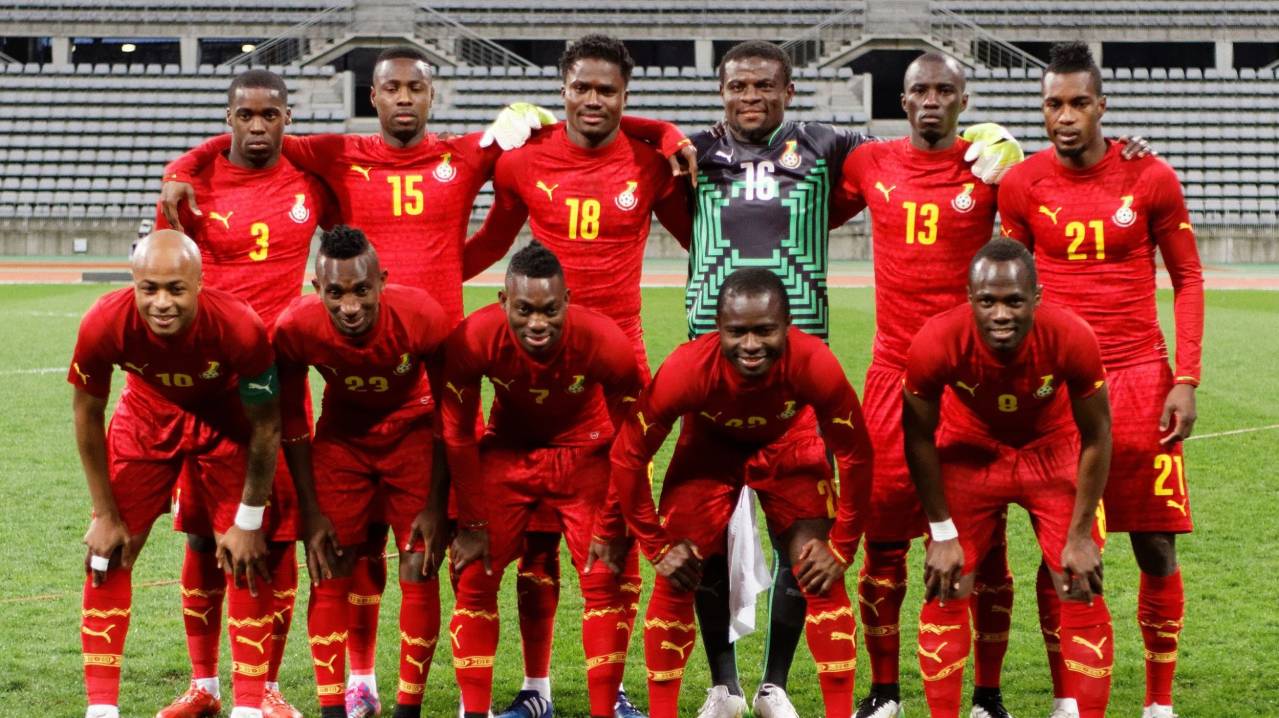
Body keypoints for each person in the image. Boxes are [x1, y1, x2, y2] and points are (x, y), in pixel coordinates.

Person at [159, 52, 688, 714]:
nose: (404, 98)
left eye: (416, 87)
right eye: (391, 88)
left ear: (434, 95)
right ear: (372, 96)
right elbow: (249, 132)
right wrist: (181, 169)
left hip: (439, 378)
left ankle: (538, 690)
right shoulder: (335, 151)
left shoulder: (469, 154)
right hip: (355, 382)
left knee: (445, 547)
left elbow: (585, 121)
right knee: (354, 548)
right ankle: (357, 682)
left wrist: (666, 135)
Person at [621, 41, 1023, 718]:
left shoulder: (824, 144)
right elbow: (613, 132)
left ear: (788, 90)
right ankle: (723, 684)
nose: (750, 97)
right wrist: (660, 130)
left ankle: (774, 682)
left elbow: (912, 143)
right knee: (704, 534)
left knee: (799, 536)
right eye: (737, 86)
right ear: (719, 91)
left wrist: (991, 133)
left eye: (763, 86)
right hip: (709, 369)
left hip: (801, 371)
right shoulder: (689, 154)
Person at [460, 34, 689, 718]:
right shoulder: (524, 162)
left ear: (625, 96)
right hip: (526, 389)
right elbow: (489, 246)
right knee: (532, 552)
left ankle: (609, 692)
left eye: (607, 90)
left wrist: (668, 131)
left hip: (614, 386)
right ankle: (536, 692)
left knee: (608, 551)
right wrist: (415, 280)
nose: (593, 100)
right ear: (561, 90)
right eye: (581, 88)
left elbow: (699, 235)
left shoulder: (649, 166)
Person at [997, 42, 1203, 718]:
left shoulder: (1149, 177)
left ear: (1101, 106)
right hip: (1058, 389)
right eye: (1052, 103)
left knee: (1153, 542)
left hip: (1142, 380)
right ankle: (1065, 696)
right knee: (1060, 544)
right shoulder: (1022, 185)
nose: (1064, 115)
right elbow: (1005, 288)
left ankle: (1157, 702)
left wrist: (1187, 376)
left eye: (1077, 102)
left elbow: (1187, 279)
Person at [602, 267, 873, 718]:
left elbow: (858, 455)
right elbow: (628, 454)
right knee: (679, 566)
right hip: (709, 446)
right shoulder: (688, 368)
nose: (750, 345)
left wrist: (843, 547)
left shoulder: (814, 363)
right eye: (737, 332)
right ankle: (694, 702)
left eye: (764, 331)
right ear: (718, 329)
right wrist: (654, 545)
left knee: (817, 564)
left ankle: (820, 707)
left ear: (788, 326)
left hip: (790, 440)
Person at [153, 68, 336, 718]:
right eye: (245, 115)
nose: (258, 127)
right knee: (202, 537)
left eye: (270, 115)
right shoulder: (191, 185)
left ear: (287, 118)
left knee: (276, 538)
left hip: (280, 389)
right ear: (227, 119)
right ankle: (204, 686)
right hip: (207, 393)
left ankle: (268, 689)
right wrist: (186, 160)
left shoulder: (313, 180)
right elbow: (164, 280)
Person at [71, 230, 281, 718]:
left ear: (199, 283)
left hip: (224, 423)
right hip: (146, 415)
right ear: (134, 283)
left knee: (245, 553)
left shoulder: (239, 327)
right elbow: (86, 413)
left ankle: (248, 707)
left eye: (175, 289)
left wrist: (249, 519)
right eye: (149, 289)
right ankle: (101, 709)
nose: (161, 302)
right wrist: (104, 512)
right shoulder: (105, 321)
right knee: (109, 550)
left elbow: (267, 426)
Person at [901, 238, 1114, 718]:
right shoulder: (937, 340)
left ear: (1037, 297)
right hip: (971, 450)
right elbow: (918, 438)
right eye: (988, 301)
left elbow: (1098, 435)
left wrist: (1080, 536)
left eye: (1015, 301)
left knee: (1079, 582)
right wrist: (941, 532)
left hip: (1051, 450)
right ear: (969, 296)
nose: (1001, 314)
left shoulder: (1072, 336)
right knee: (948, 580)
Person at [442, 241, 646, 718]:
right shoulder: (474, 338)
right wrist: (471, 523)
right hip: (509, 450)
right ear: (502, 302)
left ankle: (607, 704)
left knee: (606, 574)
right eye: (525, 310)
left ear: (567, 301)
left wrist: (614, 523)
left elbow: (633, 440)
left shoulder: (604, 341)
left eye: (550, 310)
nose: (538, 323)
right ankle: (479, 710)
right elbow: (454, 433)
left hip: (586, 451)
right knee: (474, 571)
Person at [272, 225, 451, 718]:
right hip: (343, 440)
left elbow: (449, 417)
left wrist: (438, 504)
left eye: (361, 290)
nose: (349, 306)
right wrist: (310, 512)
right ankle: (334, 708)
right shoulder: (294, 329)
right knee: (328, 564)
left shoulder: (421, 317)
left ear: (381, 282)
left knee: (419, 563)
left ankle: (407, 708)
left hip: (411, 434)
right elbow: (291, 423)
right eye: (335, 293)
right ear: (317, 290)